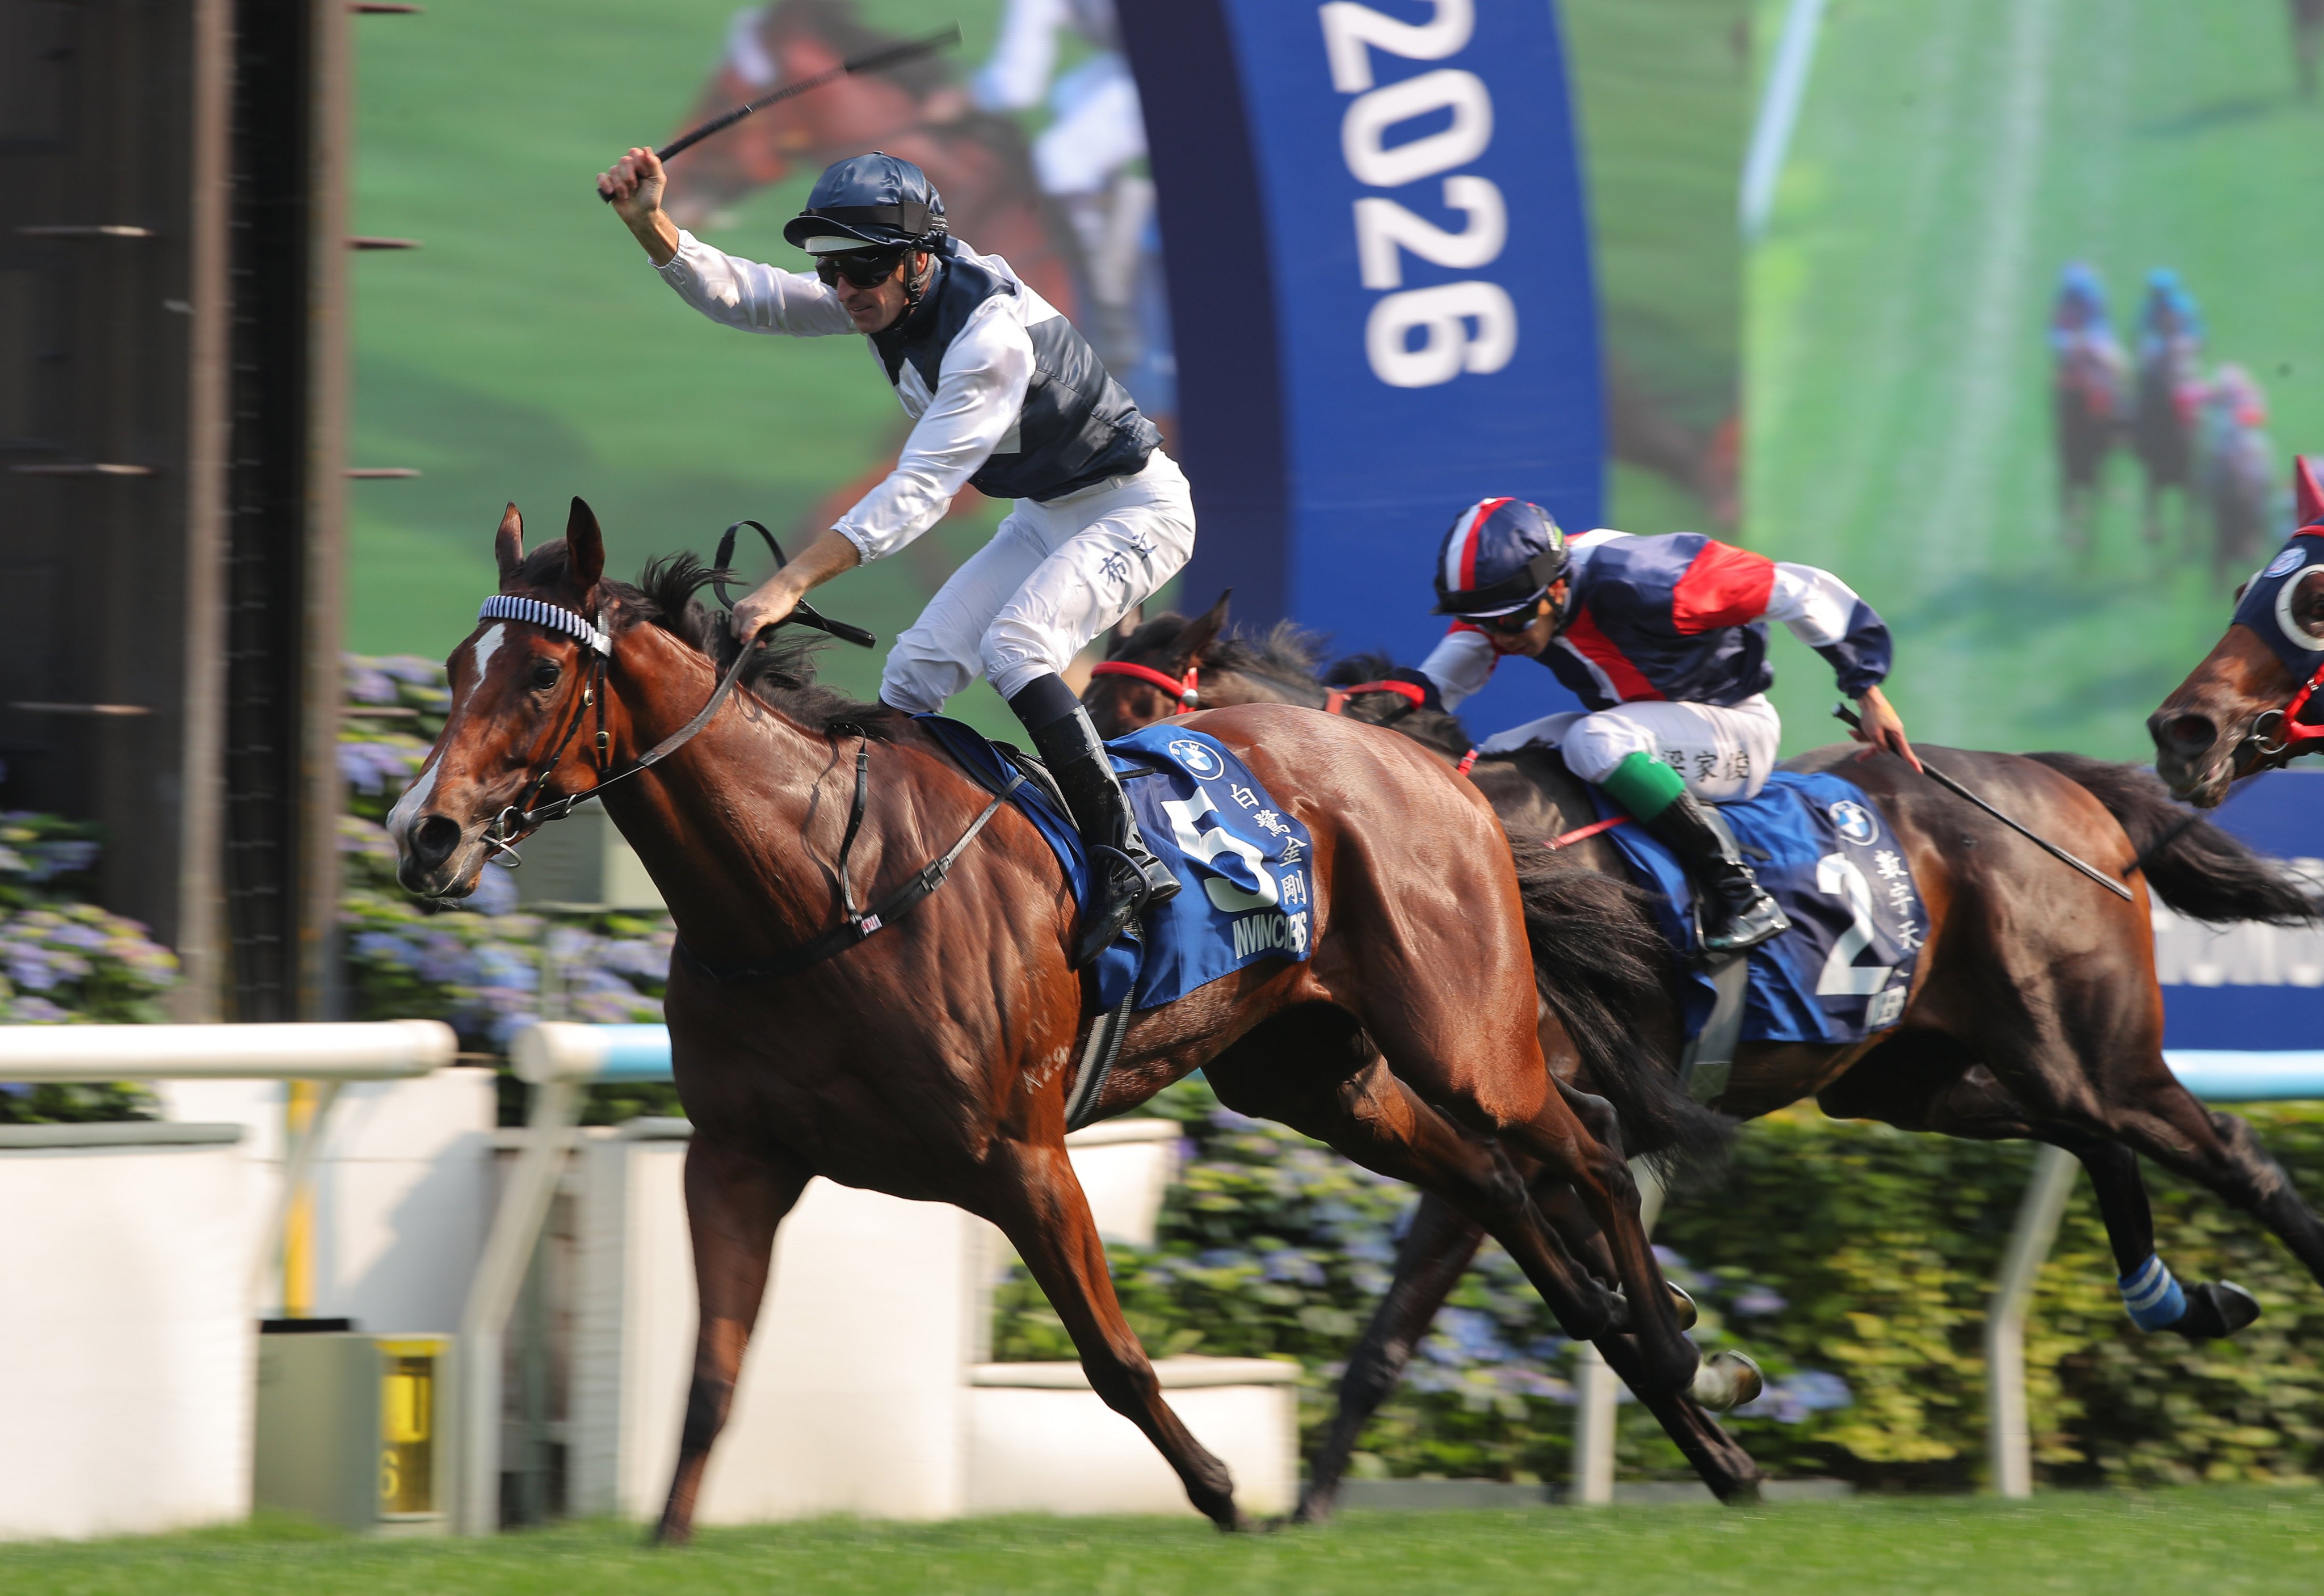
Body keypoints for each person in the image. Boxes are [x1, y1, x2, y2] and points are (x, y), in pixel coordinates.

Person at [596, 146, 1191, 966]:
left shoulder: (990, 340)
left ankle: (1128, 858)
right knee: (912, 678)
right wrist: (650, 225)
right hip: (1047, 513)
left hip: (1137, 511)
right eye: (832, 269)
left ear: (920, 259)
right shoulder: (887, 293)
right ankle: (927, 860)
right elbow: (755, 297)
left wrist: (788, 583)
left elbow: (918, 494)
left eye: (860, 271)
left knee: (1015, 646)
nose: (843, 291)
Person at [1412, 500, 1918, 953]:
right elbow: (1439, 677)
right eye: (1485, 622)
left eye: (1510, 621)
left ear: (1558, 585)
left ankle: (1740, 893)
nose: (1499, 637)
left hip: (1735, 731)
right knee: (1496, 755)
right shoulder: (1517, 605)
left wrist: (1867, 689)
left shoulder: (1657, 578)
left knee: (1597, 741)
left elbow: (1805, 590)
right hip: (1644, 727)